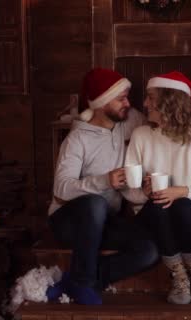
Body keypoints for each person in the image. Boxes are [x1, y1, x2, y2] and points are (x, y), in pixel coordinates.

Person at [46, 68, 158, 305]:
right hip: (68, 222)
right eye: (121, 98)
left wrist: (144, 194)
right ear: (101, 103)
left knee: (149, 250)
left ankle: (77, 279)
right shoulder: (77, 140)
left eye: (127, 96)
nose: (128, 103)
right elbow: (61, 189)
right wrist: (103, 181)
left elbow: (155, 123)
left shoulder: (126, 123)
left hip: (104, 220)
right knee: (95, 203)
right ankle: (84, 282)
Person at [122, 71, 191, 305]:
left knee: (183, 205)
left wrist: (181, 191)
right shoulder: (140, 135)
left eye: (150, 97)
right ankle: (179, 277)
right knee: (158, 206)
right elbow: (128, 190)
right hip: (153, 218)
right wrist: (143, 193)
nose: (144, 103)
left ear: (169, 101)